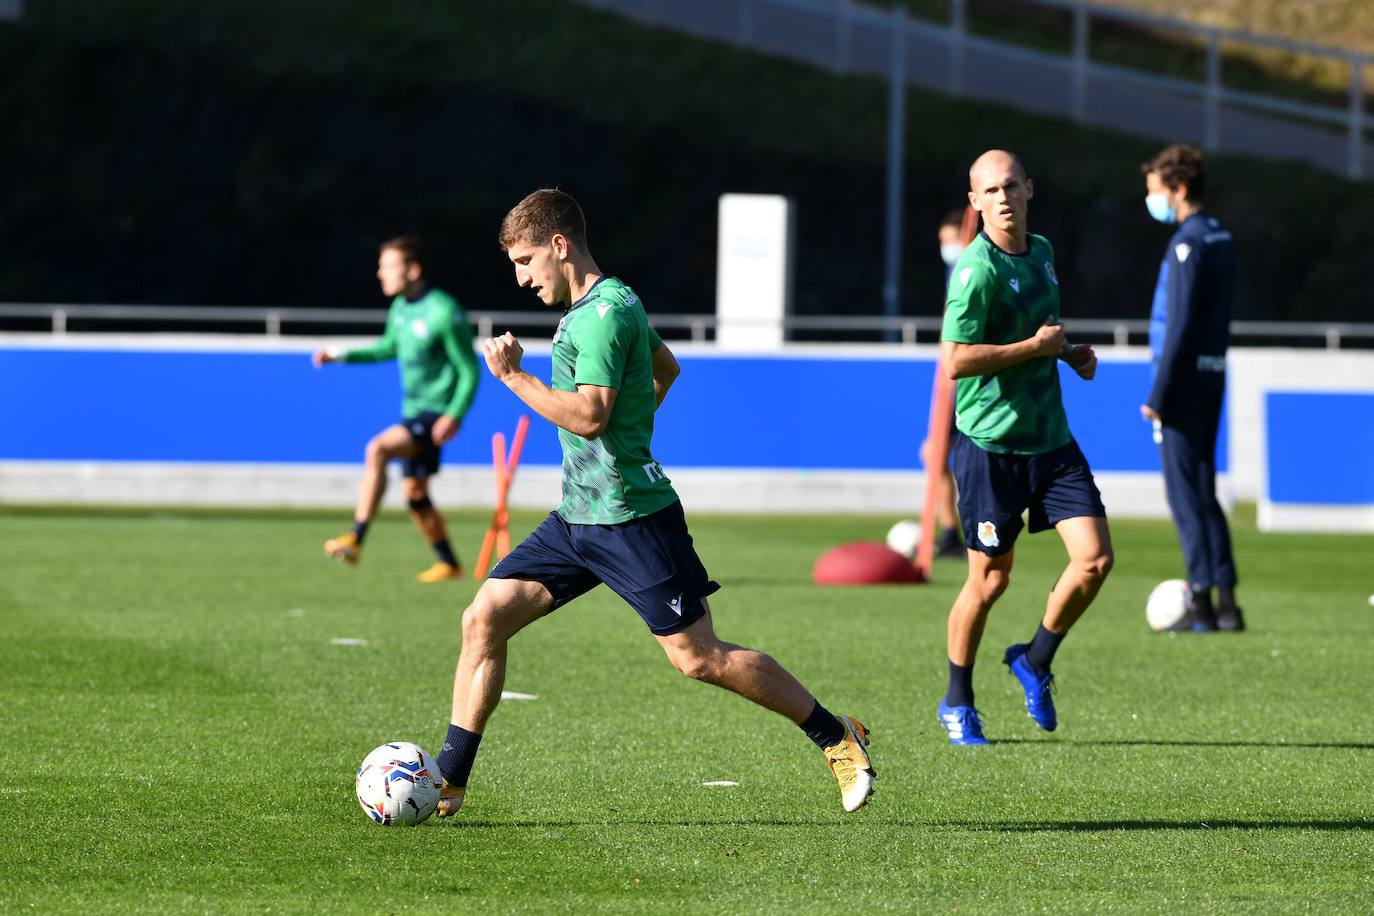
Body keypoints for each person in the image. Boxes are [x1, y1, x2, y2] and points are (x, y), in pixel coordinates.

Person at [432, 189, 875, 815]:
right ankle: (449, 776)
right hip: (578, 518)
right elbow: (665, 369)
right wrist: (630, 432)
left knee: (700, 658)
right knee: (484, 617)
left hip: (632, 521)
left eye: (526, 260)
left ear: (560, 246)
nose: (521, 278)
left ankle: (836, 734)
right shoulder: (610, 302)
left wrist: (514, 378)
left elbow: (589, 417)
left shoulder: (603, 315)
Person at [935, 150, 1113, 746]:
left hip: (1052, 439)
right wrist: (1034, 349)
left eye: (1012, 185)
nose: (1003, 196)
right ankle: (957, 699)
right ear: (975, 202)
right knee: (989, 582)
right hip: (991, 447)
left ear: (1030, 189)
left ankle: (1035, 659)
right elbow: (955, 360)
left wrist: (1069, 353)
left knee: (1094, 560)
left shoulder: (1041, 252)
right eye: (990, 189)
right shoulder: (975, 270)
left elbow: (1043, 333)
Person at [312, 236, 480, 583]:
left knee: (378, 449)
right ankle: (449, 563)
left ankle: (356, 538)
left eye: (388, 266)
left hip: (434, 415)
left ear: (413, 270)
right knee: (415, 495)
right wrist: (340, 355)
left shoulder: (444, 312)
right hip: (413, 412)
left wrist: (455, 414)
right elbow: (387, 348)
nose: (380, 273)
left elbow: (469, 369)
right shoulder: (402, 308)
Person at [1140, 144, 1242, 632]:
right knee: (1205, 488)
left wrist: (1158, 396)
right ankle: (1227, 601)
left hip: (1180, 384)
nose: (1152, 200)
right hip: (1211, 372)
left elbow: (1178, 324)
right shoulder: (1220, 234)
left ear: (1178, 190)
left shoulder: (1188, 241)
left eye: (1155, 191)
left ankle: (1200, 600)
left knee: (1185, 493)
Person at [919, 209, 970, 559]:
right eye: (943, 242)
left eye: (951, 241)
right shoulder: (954, 272)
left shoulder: (970, 272)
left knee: (938, 453)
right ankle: (952, 531)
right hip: (952, 376)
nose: (947, 248)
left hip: (966, 379)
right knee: (933, 453)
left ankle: (957, 531)